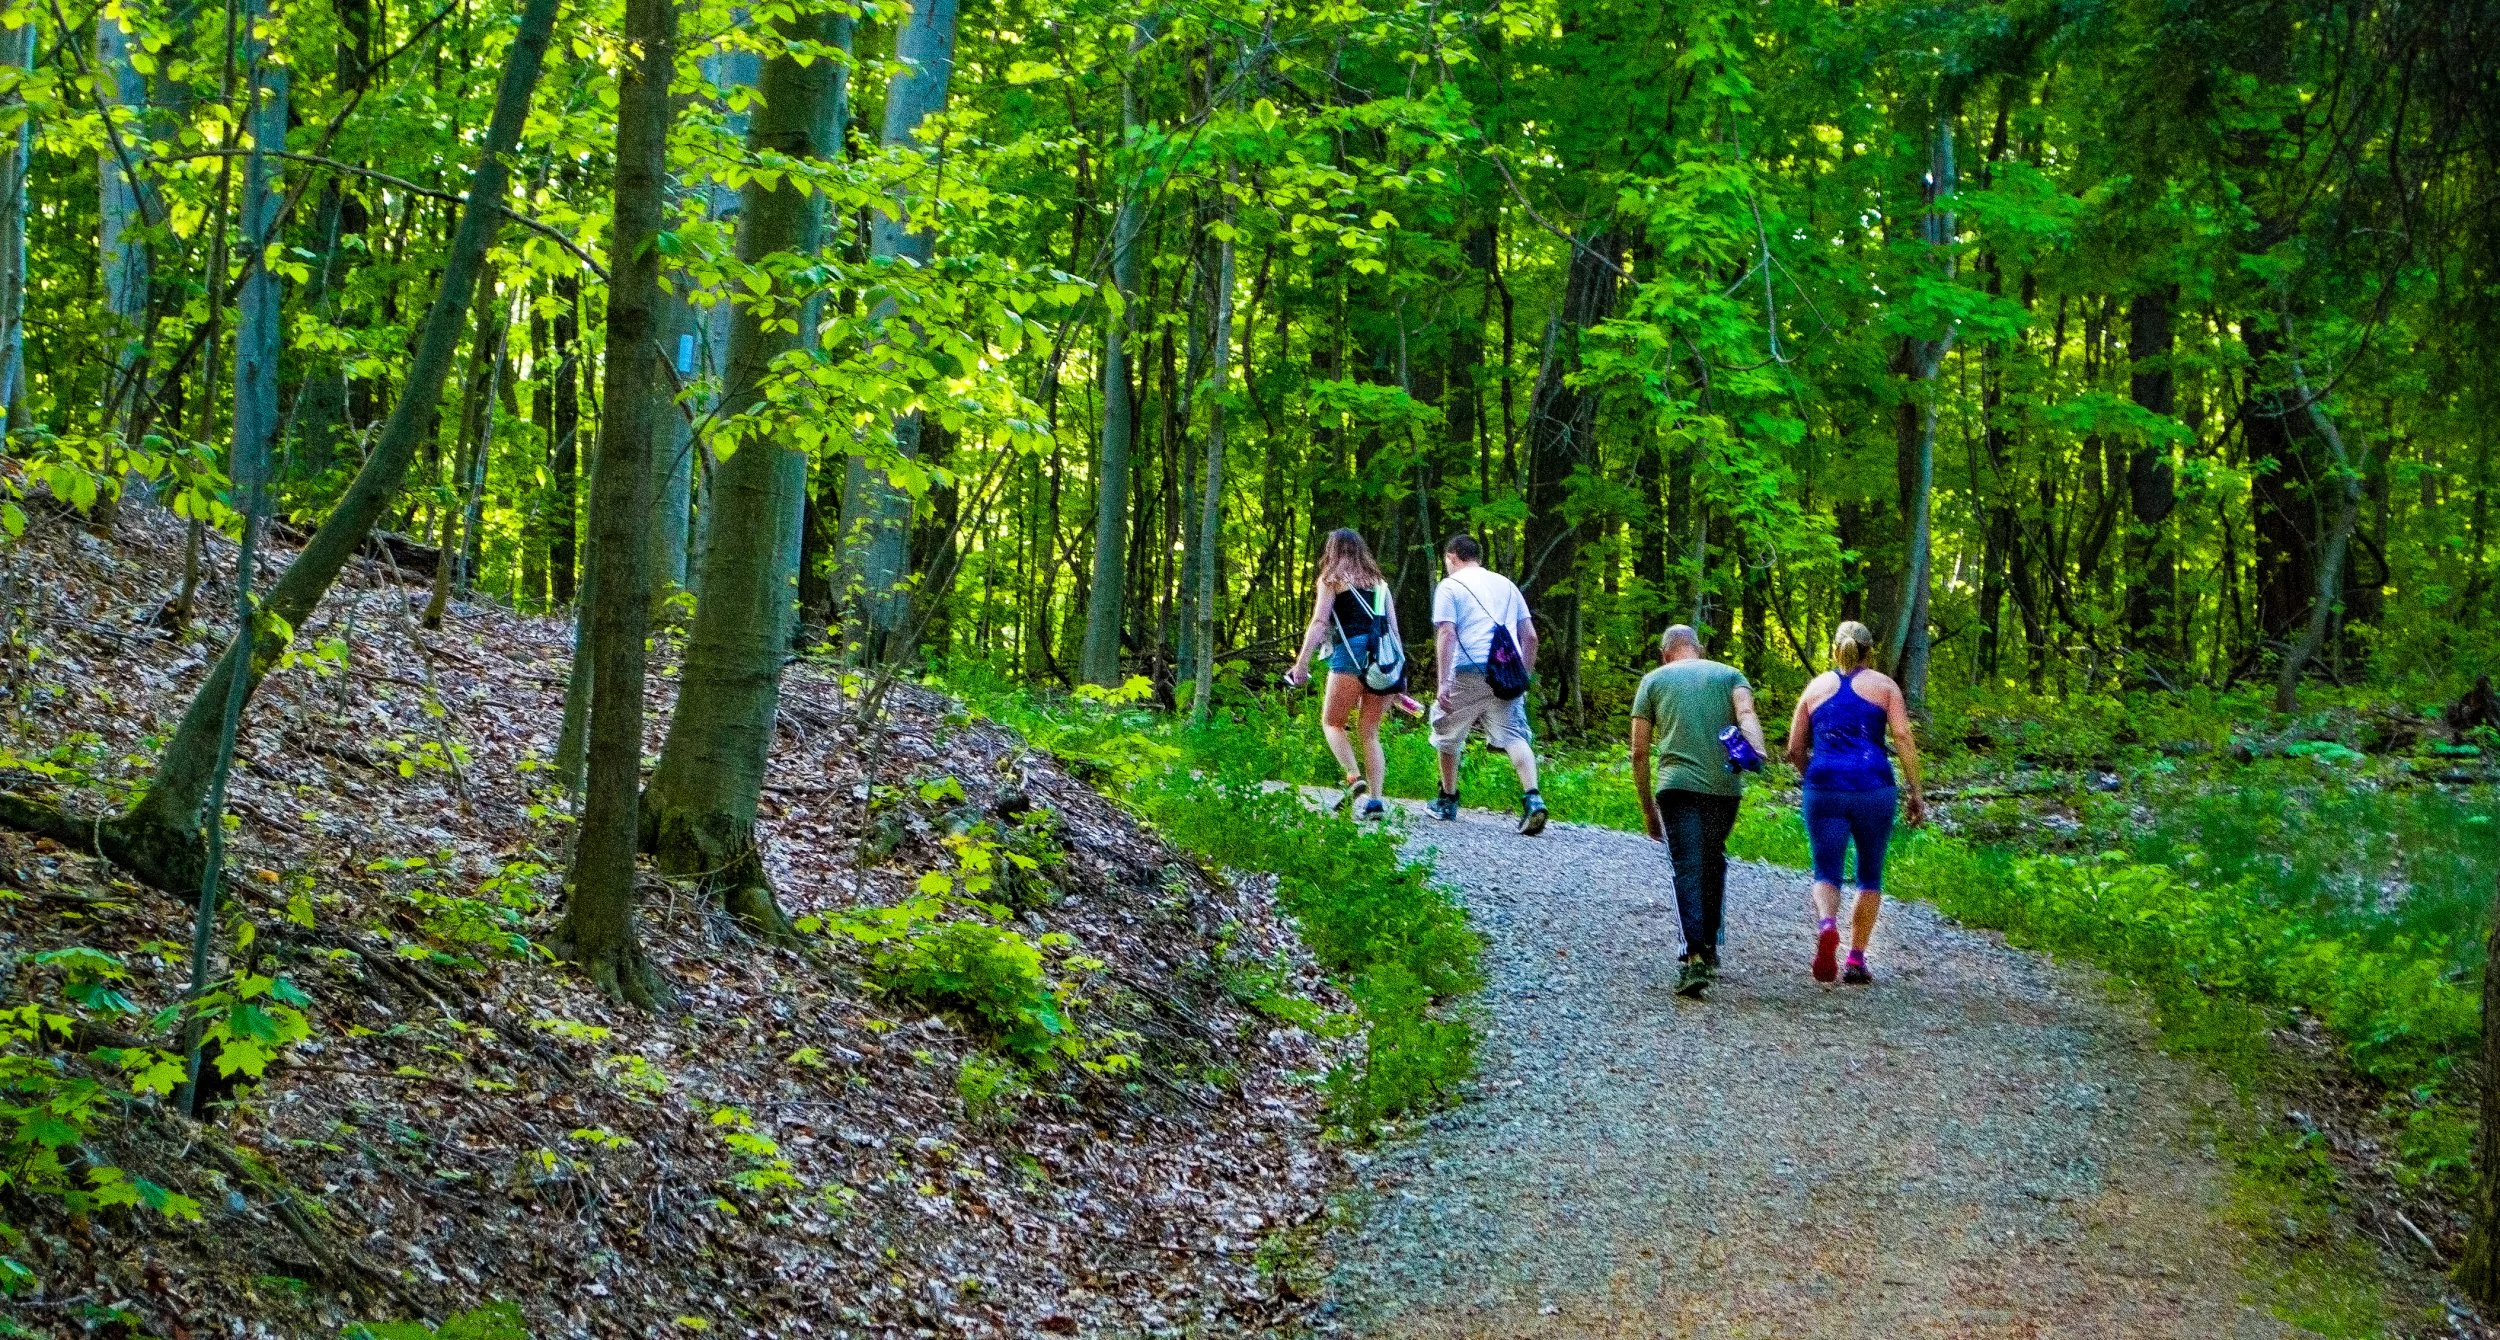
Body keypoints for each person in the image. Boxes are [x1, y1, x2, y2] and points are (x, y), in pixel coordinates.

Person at [1783, 620, 1928, 985]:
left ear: (1835, 649)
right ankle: (1855, 959)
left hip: (1824, 787)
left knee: (1826, 871)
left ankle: (1827, 924)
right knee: (1869, 874)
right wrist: (1916, 791)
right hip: (1873, 787)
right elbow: (1903, 737)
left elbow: (1794, 748)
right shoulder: (1884, 687)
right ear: (1870, 651)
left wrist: (1811, 776)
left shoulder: (1815, 688)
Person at [1630, 625, 1767, 998]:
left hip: (1675, 787)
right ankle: (1708, 944)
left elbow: (1639, 752)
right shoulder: (1729, 674)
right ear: (1699, 648)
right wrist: (1757, 747)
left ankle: (1693, 957)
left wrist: (1647, 809)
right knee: (1711, 859)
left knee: (1686, 867)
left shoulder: (1653, 681)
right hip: (1725, 789)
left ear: (1665, 653)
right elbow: (1746, 712)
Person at [1425, 534, 1547, 834]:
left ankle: (1448, 799)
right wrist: (1523, 677)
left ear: (1452, 557)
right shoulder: (1507, 585)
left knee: (1447, 730)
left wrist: (1443, 682)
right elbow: (1530, 636)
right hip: (1505, 671)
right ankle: (1533, 798)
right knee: (1513, 734)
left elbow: (1446, 633)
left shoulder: (1450, 587)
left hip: (1468, 671)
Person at [1283, 529, 1404, 821]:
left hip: (1350, 654)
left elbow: (1320, 622)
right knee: (1370, 732)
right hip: (1383, 660)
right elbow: (1394, 632)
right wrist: (1399, 676)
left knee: (1332, 723)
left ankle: (1353, 776)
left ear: (1333, 549)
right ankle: (1376, 802)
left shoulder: (1331, 580)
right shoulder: (1380, 584)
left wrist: (1302, 664)